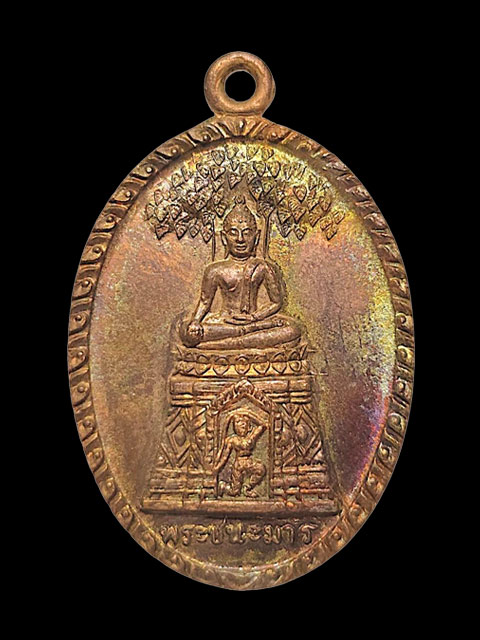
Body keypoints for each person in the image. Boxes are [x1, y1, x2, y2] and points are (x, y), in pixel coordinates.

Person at [179, 205, 301, 350]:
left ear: (256, 237)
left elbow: (276, 302)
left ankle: (220, 345)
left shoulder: (262, 267)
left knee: (293, 329)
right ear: (224, 238)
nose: (240, 239)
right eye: (233, 233)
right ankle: (243, 340)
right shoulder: (215, 270)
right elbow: (205, 302)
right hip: (225, 323)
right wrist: (195, 321)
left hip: (255, 322)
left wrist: (254, 318)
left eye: (246, 233)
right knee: (189, 333)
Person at [214, 413, 266, 498]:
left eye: (244, 424)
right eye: (237, 424)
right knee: (234, 491)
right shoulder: (232, 440)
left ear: (248, 427)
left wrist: (248, 414)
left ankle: (247, 488)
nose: (241, 427)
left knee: (261, 469)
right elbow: (225, 456)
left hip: (249, 463)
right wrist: (217, 468)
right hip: (238, 465)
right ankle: (223, 486)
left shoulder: (251, 437)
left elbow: (262, 425)